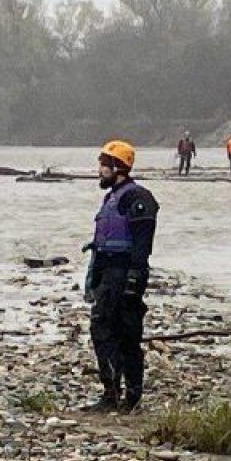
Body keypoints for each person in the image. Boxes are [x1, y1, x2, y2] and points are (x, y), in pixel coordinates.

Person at [81, 140, 159, 413]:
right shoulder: (112, 197)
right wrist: (93, 279)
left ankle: (125, 395)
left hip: (124, 273)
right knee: (107, 330)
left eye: (104, 164)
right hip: (109, 272)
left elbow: (142, 244)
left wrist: (134, 279)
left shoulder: (137, 199)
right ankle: (115, 393)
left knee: (119, 332)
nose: (99, 169)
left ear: (118, 168)